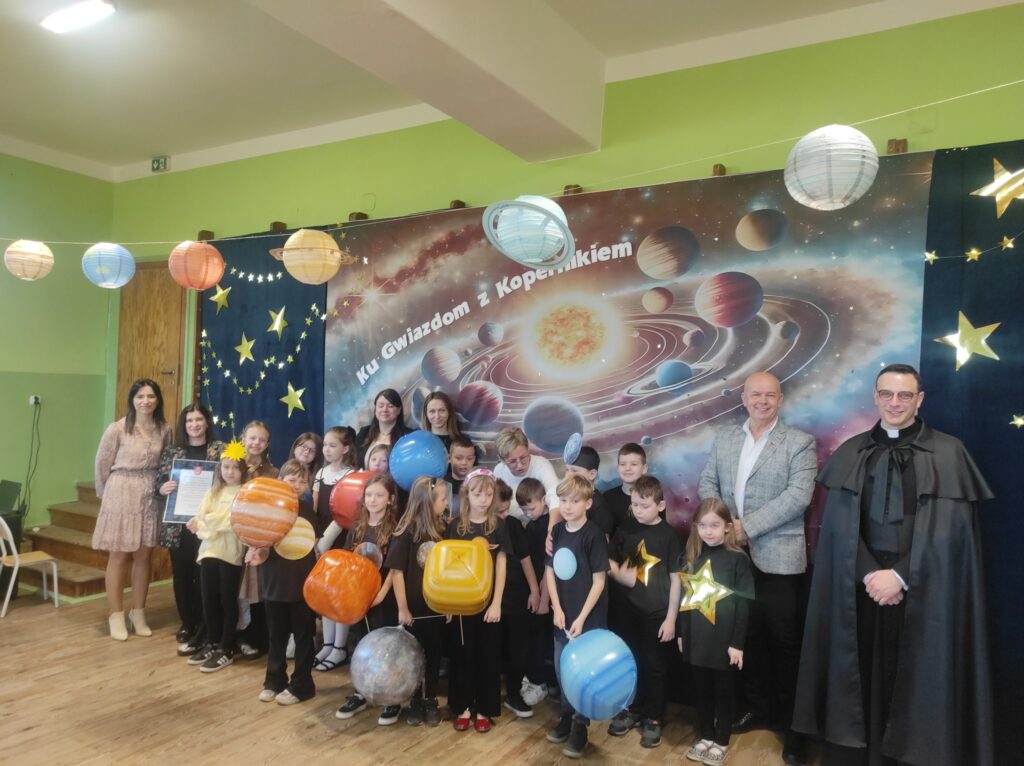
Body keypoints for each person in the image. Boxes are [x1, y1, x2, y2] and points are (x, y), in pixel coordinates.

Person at [793, 364, 994, 766]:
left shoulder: (949, 453)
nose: (895, 403)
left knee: (919, 678)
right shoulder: (852, 451)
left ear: (920, 399)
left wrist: (900, 575)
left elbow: (950, 534)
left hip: (926, 591)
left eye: (905, 395)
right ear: (875, 397)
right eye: (887, 394)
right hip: (861, 589)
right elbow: (839, 529)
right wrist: (871, 573)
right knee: (858, 676)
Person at [697, 371, 816, 764]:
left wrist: (745, 527)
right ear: (744, 399)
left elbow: (798, 497)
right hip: (733, 557)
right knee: (746, 638)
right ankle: (757, 708)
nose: (762, 401)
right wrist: (724, 527)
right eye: (755, 394)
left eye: (770, 395)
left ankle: (794, 728)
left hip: (779, 559)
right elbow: (708, 484)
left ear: (780, 399)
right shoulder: (726, 438)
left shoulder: (799, 442)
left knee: (784, 642)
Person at [92, 378, 173, 641]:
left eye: (151, 396)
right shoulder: (117, 429)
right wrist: (107, 497)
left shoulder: (165, 429)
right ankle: (116, 614)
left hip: (150, 495)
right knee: (118, 556)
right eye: (140, 396)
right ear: (132, 400)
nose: (145, 401)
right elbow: (102, 464)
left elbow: (166, 464)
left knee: (144, 556)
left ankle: (138, 613)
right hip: (121, 492)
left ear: (157, 400)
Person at [606, 476, 682, 749]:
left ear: (660, 505)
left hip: (656, 613)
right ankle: (633, 709)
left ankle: (654, 716)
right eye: (635, 505)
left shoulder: (669, 536)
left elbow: (676, 579)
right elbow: (608, 560)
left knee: (655, 666)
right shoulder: (625, 528)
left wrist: (671, 618)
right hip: (627, 612)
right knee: (631, 662)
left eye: (645, 505)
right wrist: (618, 574)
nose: (638, 510)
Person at [681, 498, 754, 766]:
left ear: (727, 527)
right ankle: (706, 736)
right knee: (701, 691)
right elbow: (685, 602)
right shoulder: (692, 557)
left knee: (723, 692)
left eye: (714, 525)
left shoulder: (738, 560)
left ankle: (721, 740)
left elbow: (743, 606)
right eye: (703, 525)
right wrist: (682, 634)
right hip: (697, 640)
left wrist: (737, 643)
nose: (708, 531)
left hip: (723, 641)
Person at [545, 474, 609, 759]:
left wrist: (581, 618)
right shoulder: (558, 531)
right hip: (563, 614)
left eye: (574, 501)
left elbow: (599, 581)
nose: (567, 506)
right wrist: (557, 608)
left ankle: (580, 725)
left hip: (587, 618)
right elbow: (550, 570)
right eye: (563, 501)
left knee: (582, 673)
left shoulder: (593, 535)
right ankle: (567, 715)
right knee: (562, 668)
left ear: (588, 503)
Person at [247, 460, 320, 705]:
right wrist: (258, 554)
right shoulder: (268, 509)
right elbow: (262, 543)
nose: (297, 485)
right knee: (276, 636)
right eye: (291, 480)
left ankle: (302, 684)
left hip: (302, 583)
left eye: (302, 481)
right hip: (274, 581)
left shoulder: (307, 510)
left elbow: (311, 545)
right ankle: (274, 680)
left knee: (303, 636)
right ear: (280, 481)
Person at [155, 403, 225, 655]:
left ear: (207, 422)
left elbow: (230, 480)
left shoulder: (220, 450)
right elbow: (160, 481)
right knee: (182, 576)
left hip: (209, 524)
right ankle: (187, 623)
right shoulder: (173, 451)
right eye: (189, 421)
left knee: (205, 576)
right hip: (179, 525)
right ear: (184, 425)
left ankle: (205, 624)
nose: (194, 424)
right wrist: (162, 488)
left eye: (199, 419)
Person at [445, 468, 510, 734]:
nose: (483, 500)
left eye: (488, 494)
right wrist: (449, 603)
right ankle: (462, 707)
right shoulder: (455, 526)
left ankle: (484, 708)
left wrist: (497, 603)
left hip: (487, 602)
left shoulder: (499, 526)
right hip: (461, 603)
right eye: (477, 494)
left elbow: (502, 564)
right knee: (462, 654)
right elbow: (447, 566)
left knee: (488, 655)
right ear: (466, 495)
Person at [334, 473, 401, 725]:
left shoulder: (395, 529)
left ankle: (392, 697)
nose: (373, 500)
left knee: (386, 646)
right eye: (369, 495)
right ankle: (360, 691)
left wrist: (380, 595)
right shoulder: (357, 527)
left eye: (379, 495)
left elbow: (395, 568)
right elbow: (349, 562)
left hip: (384, 598)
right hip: (360, 597)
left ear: (390, 499)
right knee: (360, 642)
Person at [387, 476, 450, 726]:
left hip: (435, 608)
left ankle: (430, 699)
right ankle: (414, 700)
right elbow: (397, 572)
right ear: (427, 502)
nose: (446, 503)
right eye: (442, 499)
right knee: (413, 657)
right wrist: (402, 608)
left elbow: (448, 572)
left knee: (434, 655)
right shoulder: (406, 532)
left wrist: (448, 604)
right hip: (413, 611)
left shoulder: (443, 530)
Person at [184, 448, 246, 672]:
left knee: (227, 600)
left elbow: (235, 521)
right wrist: (208, 523)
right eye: (226, 467)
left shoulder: (245, 493)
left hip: (230, 553)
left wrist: (209, 522)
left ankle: (226, 648)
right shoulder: (213, 492)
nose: (230, 472)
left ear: (243, 470)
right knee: (208, 599)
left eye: (235, 468)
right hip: (209, 551)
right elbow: (200, 519)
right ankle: (212, 642)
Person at [311, 426, 358, 672]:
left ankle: (340, 647)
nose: (327, 450)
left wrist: (326, 540)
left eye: (333, 445)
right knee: (325, 594)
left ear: (346, 449)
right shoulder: (320, 473)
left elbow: (345, 514)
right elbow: (316, 509)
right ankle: (327, 644)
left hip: (340, 540)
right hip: (321, 542)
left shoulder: (352, 476)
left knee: (340, 595)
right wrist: (316, 540)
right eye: (325, 445)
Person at [495, 479, 542, 720]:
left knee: (518, 649)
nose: (504, 515)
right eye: (499, 511)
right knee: (492, 649)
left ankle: (514, 694)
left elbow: (525, 559)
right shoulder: (478, 526)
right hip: (489, 599)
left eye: (506, 510)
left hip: (517, 597)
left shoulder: (513, 525)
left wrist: (534, 590)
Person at [237, 420, 277, 659]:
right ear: (243, 438)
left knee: (254, 587)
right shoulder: (231, 465)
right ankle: (230, 635)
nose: (256, 443)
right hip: (231, 538)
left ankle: (253, 636)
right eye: (252, 438)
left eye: (262, 439)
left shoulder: (272, 472)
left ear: (268, 444)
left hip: (257, 537)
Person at [518, 478, 556, 707]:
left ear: (544, 500)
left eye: (531, 508)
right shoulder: (532, 525)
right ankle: (539, 679)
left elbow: (549, 563)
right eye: (524, 510)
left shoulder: (548, 526)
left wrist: (544, 596)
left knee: (542, 640)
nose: (528, 514)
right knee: (535, 637)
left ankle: (541, 682)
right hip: (535, 591)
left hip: (546, 592)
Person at [492, 427, 560, 522]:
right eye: (512, 461)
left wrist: (551, 528)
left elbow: (555, 497)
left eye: (523, 457)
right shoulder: (499, 471)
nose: (520, 465)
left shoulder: (541, 465)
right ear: (502, 459)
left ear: (528, 450)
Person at [356, 388, 414, 469]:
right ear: (375, 409)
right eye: (381, 406)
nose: (384, 410)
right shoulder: (364, 433)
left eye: (390, 406)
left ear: (399, 410)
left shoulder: (409, 437)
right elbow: (354, 463)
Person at [564, 445, 614, 537]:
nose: (568, 475)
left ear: (592, 474)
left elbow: (603, 541)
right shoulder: (567, 499)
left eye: (574, 471)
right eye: (567, 470)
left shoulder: (598, 505)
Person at [605, 443, 648, 536]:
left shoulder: (653, 496)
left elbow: (660, 530)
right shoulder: (607, 498)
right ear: (618, 468)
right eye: (623, 464)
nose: (627, 468)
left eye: (634, 464)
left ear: (644, 468)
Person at [444, 434, 477, 519]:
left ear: (474, 459)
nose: (464, 463)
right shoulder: (442, 483)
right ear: (449, 458)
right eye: (459, 458)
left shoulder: (477, 484)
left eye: (469, 458)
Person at [289, 431, 323, 497]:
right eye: (304, 447)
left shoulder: (319, 477)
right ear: (295, 447)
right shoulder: (284, 470)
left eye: (313, 450)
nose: (307, 452)